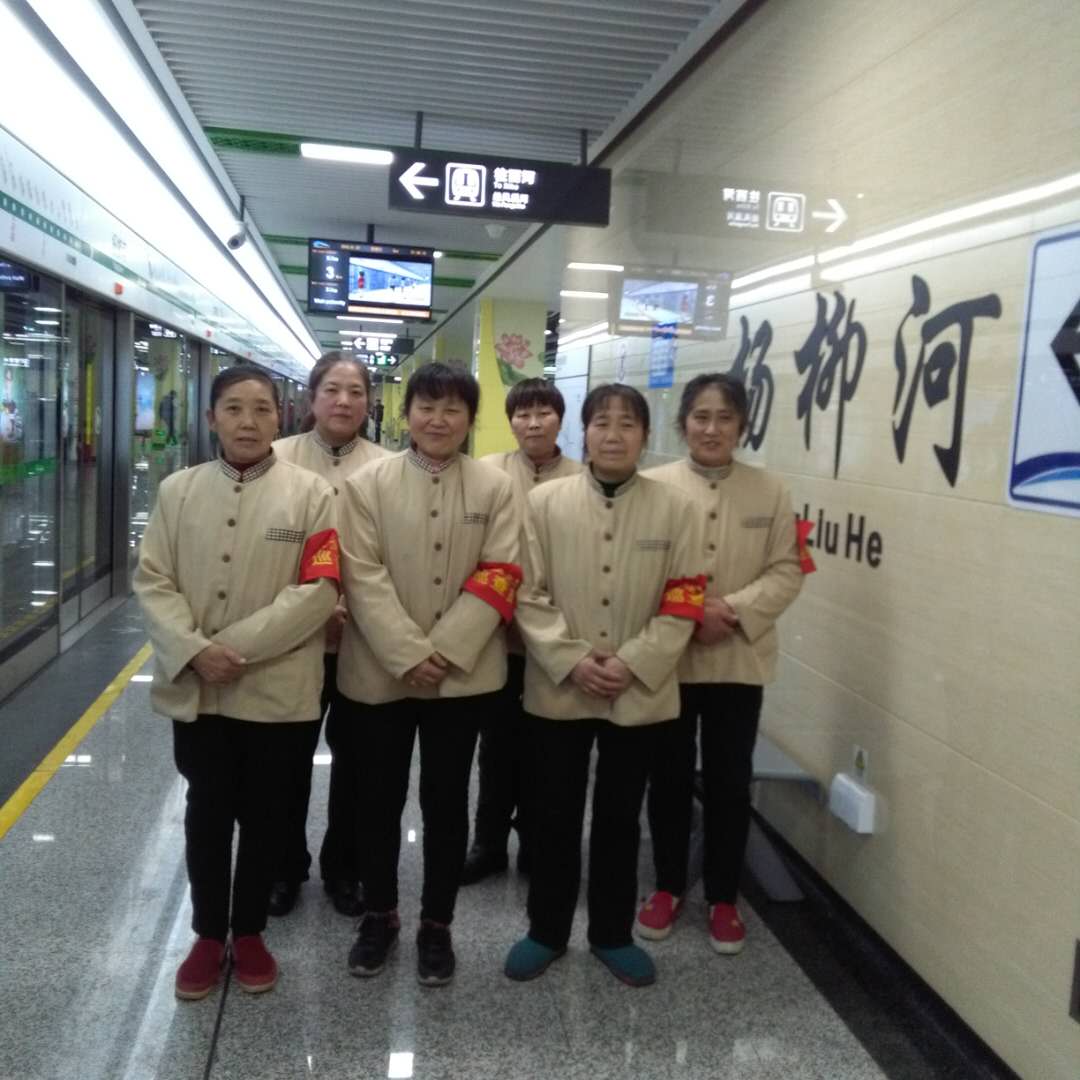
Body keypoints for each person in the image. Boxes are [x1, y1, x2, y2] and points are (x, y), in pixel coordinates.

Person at [134, 365, 340, 1001]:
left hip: (278, 688)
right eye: (233, 408)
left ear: (281, 418)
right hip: (200, 690)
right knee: (207, 809)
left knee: (267, 813)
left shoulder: (313, 494)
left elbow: (320, 589)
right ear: (211, 419)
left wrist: (234, 650)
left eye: (261, 409)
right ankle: (206, 934)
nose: (247, 422)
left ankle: (249, 931)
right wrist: (196, 651)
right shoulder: (178, 491)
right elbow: (153, 580)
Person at [504, 384, 705, 988]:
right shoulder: (544, 503)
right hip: (559, 686)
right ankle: (546, 930)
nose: (613, 435)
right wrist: (571, 659)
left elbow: (686, 595)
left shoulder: (677, 508)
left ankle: (612, 933)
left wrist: (634, 662)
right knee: (553, 813)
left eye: (627, 424)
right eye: (601, 423)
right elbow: (527, 592)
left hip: (638, 690)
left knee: (620, 817)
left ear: (646, 435)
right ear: (583, 432)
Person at [337, 362, 520, 987]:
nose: (438, 420)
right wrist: (407, 653)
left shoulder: (496, 487)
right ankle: (380, 915)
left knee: (446, 804)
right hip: (378, 673)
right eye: (426, 407)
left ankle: (437, 924)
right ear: (406, 413)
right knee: (377, 800)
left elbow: (502, 570)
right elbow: (360, 575)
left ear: (470, 419)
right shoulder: (367, 484)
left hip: (462, 678)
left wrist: (444, 649)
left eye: (452, 409)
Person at [636, 373, 804, 954]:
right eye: (701, 416)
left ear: (743, 426)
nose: (712, 428)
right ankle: (666, 886)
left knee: (731, 783)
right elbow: (639, 570)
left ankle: (724, 897)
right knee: (668, 778)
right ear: (683, 423)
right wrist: (689, 615)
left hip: (739, 659)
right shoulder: (654, 486)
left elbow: (788, 569)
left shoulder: (771, 492)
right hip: (670, 660)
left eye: (725, 417)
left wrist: (729, 610)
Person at [267, 352, 388, 918]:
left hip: (365, 640)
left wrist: (354, 608)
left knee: (360, 763)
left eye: (356, 391)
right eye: (332, 390)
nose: (344, 401)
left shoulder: (389, 468)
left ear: (370, 403)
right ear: (311, 398)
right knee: (285, 760)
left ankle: (346, 867)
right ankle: (283, 866)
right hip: (292, 642)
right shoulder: (276, 460)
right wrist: (313, 612)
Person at [463, 378, 582, 885]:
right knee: (496, 746)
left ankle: (536, 842)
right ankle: (488, 844)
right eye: (523, 414)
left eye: (544, 413)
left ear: (560, 419)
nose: (533, 423)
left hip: (557, 639)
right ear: (510, 421)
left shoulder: (582, 477)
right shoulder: (488, 471)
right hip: (499, 637)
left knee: (548, 749)